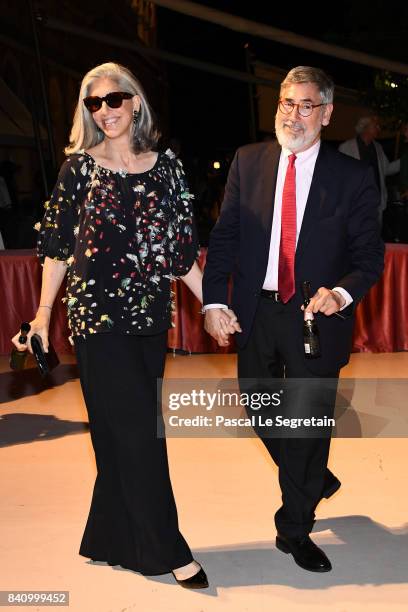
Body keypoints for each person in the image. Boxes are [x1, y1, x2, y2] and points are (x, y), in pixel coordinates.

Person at [11, 62, 212, 588]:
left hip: (149, 316)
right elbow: (56, 249)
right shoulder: (78, 169)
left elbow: (180, 251)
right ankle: (168, 547)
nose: (106, 110)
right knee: (141, 433)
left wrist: (211, 303)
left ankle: (108, 535)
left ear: (136, 102)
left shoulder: (165, 167)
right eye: (95, 103)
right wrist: (43, 314)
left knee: (120, 433)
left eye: (115, 99)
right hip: (96, 321)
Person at [203, 66, 384, 572]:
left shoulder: (351, 177)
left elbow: (369, 258)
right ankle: (313, 479)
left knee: (304, 427)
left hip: (315, 318)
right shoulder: (248, 161)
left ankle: (295, 528)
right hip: (256, 313)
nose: (294, 114)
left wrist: (341, 293)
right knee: (262, 413)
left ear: (326, 114)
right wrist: (215, 301)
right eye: (287, 102)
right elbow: (224, 239)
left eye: (307, 105)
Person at [339, 115, 400, 222]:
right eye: (375, 126)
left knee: (374, 235)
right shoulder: (346, 148)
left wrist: (403, 161)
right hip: (355, 204)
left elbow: (387, 169)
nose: (379, 129)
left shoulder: (378, 148)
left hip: (376, 204)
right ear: (365, 127)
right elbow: (339, 178)